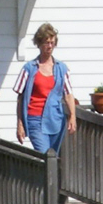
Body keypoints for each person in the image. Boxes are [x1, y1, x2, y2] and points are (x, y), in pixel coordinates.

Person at [14, 23, 76, 154]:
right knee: (45, 155)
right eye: (46, 42)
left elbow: (68, 95)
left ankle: (50, 176)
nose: (49, 46)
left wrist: (72, 117)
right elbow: (20, 98)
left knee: (54, 156)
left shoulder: (61, 68)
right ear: (39, 43)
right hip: (35, 119)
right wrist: (20, 124)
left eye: (52, 42)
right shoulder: (29, 68)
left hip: (55, 119)